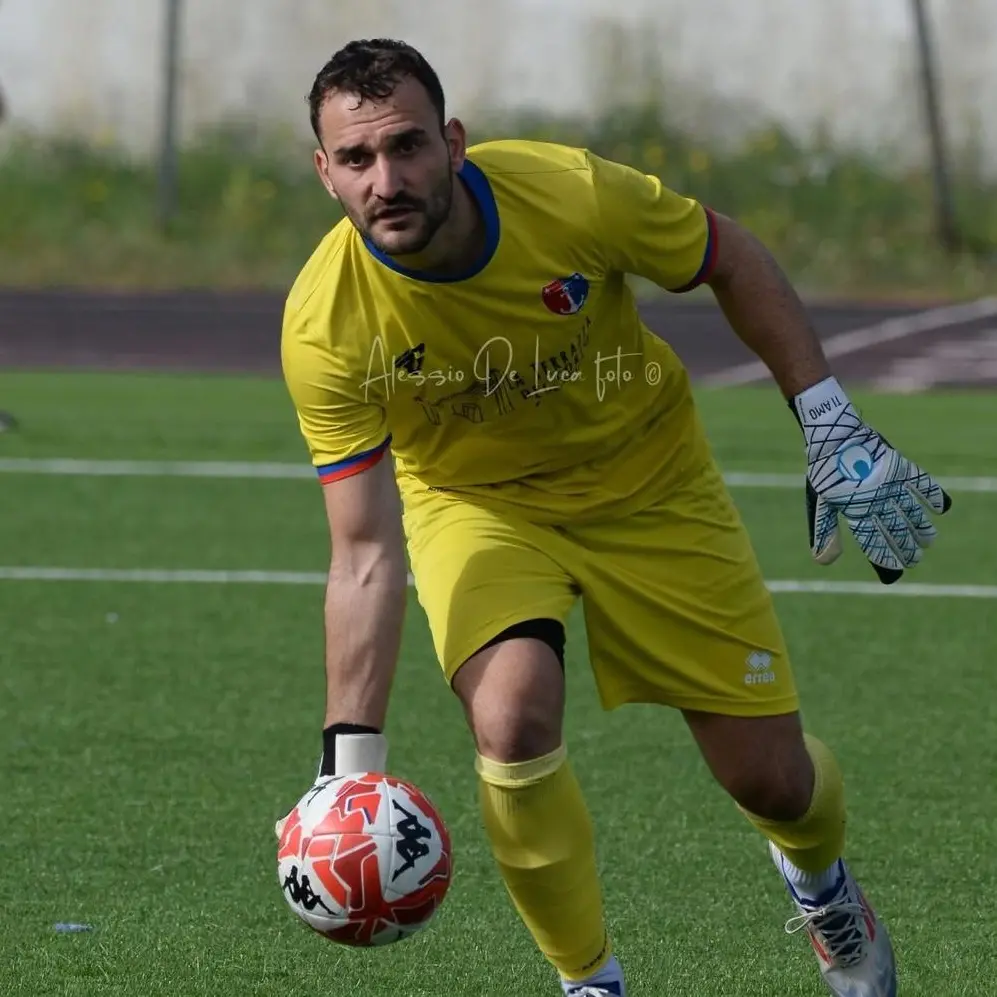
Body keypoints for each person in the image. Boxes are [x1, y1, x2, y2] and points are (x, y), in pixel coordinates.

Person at [276, 37, 951, 997]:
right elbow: (365, 553)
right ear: (325, 172)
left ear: (452, 143)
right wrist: (348, 765)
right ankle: (590, 981)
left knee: (773, 784)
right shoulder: (324, 322)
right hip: (478, 506)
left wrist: (826, 415)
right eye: (356, 158)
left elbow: (728, 255)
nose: (386, 180)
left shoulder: (570, 193)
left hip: (651, 483)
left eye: (407, 146)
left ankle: (821, 886)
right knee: (510, 719)